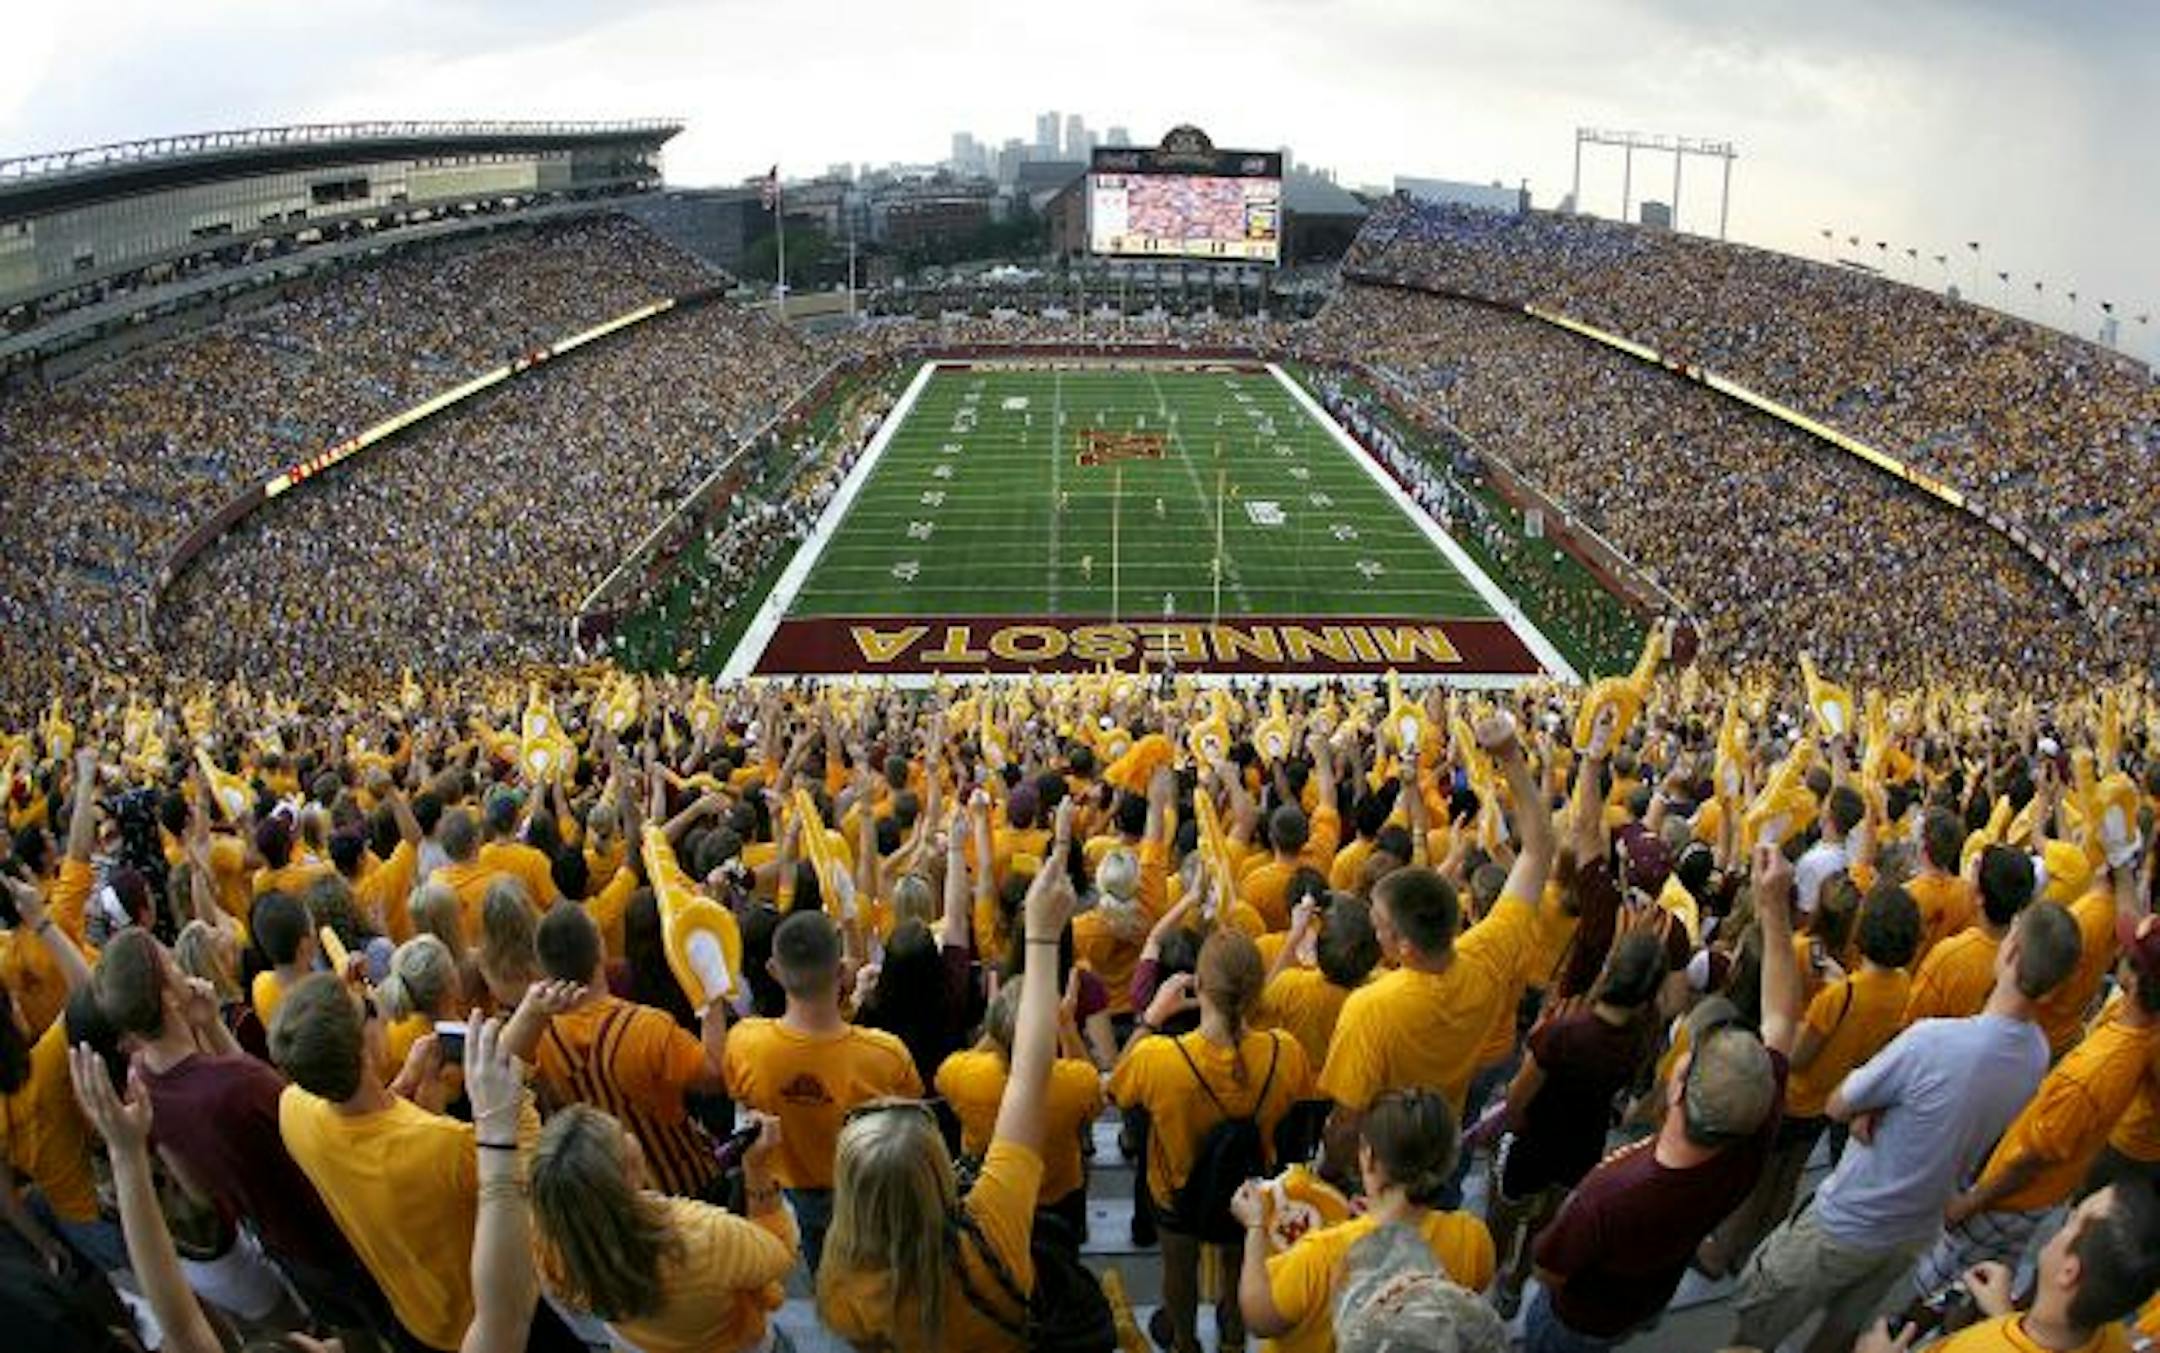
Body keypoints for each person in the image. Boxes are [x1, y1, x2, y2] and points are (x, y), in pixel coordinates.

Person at [1731, 899, 2084, 1353]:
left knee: (1754, 1330)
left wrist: (1872, 1105)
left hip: (1848, 1220)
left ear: (2011, 952)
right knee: (1838, 1335)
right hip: (1915, 1231)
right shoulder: (2036, 1053)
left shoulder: (1931, 1041)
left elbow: (1839, 1104)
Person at [815, 800, 1077, 1351]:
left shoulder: (841, 1291)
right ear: (939, 1168)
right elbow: (1029, 1075)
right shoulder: (995, 1225)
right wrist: (1042, 938)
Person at [1525, 839, 1802, 1353]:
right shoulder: (1751, 1141)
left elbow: (1547, 1269)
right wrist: (1772, 911)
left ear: (1677, 1084)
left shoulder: (1610, 1194)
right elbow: (1783, 1019)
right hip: (1647, 1298)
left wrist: (1770, 907)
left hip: (1578, 1322)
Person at [92, 927, 386, 1330]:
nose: (181, 967)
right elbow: (293, 1112)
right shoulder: (234, 1085)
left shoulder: (139, 1083)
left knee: (348, 1329)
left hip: (278, 1240)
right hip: (328, 1227)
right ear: (167, 998)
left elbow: (197, 1188)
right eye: (172, 964)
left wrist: (211, 1024)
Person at [270, 971, 569, 1351]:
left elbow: (359, 1125)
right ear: (364, 1045)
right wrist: (508, 1076)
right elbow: (530, 1163)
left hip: (413, 1320)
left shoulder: (291, 1109)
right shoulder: (441, 1146)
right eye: (365, 1007)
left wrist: (404, 1084)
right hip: (487, 1320)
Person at [1908, 903, 2160, 1304]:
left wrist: (1970, 1202)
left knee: (1931, 1290)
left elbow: (2033, 1159)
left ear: (2136, 974)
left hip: (2011, 1198)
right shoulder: (2140, 1034)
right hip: (2037, 1194)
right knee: (1983, 1286)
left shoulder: (2093, 1072)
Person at [1319, 712, 1557, 1120]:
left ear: (1404, 946)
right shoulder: (1488, 951)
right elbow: (1538, 851)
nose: (1374, 932)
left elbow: (1346, 1120)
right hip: (1450, 1119)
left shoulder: (1371, 1007)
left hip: (1392, 1149)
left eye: (1380, 925)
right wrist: (1510, 757)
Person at [1697, 880, 1922, 1279]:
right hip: (1831, 1097)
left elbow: (1798, 1056)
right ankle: (1760, 1245)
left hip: (1795, 1096)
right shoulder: (1902, 984)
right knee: (1789, 1175)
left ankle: (1723, 1251)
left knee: (1760, 1174)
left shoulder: (1841, 993)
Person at [1110, 928, 1313, 1353]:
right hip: (1250, 1191)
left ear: (1198, 986)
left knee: (1179, 1272)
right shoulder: (1286, 1051)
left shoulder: (1158, 1057)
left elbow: (1115, 1090)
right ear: (1257, 991)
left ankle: (1185, 1342)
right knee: (1240, 1263)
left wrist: (1150, 1018)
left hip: (1175, 1194)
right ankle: (1235, 1339)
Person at [723, 907, 923, 1276]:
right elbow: (910, 1113)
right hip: (862, 1190)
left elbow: (739, 1092)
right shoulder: (885, 1054)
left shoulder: (744, 1042)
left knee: (818, 1262)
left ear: (773, 970)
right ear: (842, 971)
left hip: (792, 1187)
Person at [1485, 923, 1664, 1314]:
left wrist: (1508, 1130)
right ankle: (1515, 1285)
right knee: (1547, 1217)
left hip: (1533, 1139)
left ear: (1610, 970)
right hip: (1583, 1144)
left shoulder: (1564, 1031)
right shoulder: (1643, 1035)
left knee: (1503, 1209)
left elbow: (1517, 1098)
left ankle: (1491, 1273)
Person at [1234, 1087, 1498, 1353]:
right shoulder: (1472, 1237)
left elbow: (1260, 1319)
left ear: (1369, 1159)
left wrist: (1255, 1227)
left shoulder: (1322, 1255)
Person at [530, 1104, 796, 1353]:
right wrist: (757, 1167)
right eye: (621, 1133)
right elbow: (779, 1254)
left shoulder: (553, 1244)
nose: (630, 1134)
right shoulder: (704, 1235)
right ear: (628, 1171)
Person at [511, 903, 729, 1201]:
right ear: (601, 950)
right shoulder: (649, 1027)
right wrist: (711, 997)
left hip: (604, 1195)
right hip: (682, 1185)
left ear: (543, 966)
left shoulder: (537, 1038)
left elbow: (503, 1070)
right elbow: (715, 1076)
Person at [1855, 1182, 2160, 1353]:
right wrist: (2004, 1314)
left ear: (2069, 1271)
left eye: (2074, 1219)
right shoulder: (2112, 1337)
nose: (2063, 1223)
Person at [0, 871, 123, 1274]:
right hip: (108, 1197)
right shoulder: (45, 1065)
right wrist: (42, 922)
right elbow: (91, 992)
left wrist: (45, 1244)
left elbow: (7, 1199)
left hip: (72, 1221)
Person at [935, 974, 1105, 1237]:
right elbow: (1094, 1093)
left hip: (989, 1195)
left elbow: (945, 1078)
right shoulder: (1076, 1082)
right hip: (1057, 1199)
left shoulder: (961, 1074)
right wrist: (1067, 1026)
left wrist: (995, 1029)